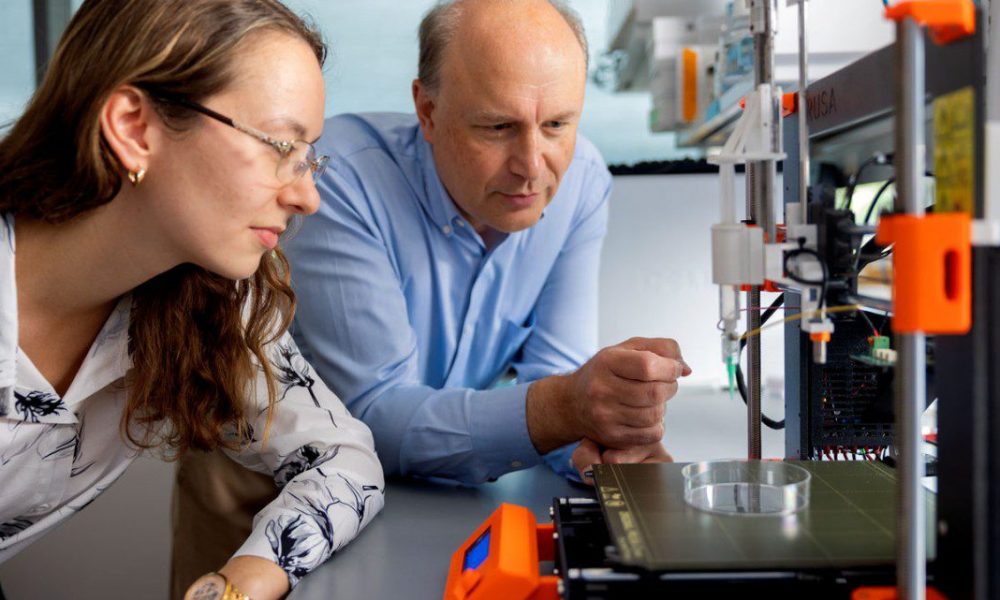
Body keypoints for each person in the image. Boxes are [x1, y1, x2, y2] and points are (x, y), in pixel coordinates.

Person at [173, 0, 690, 585]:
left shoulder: (582, 182)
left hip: (425, 490)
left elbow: (555, 372)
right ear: (427, 109)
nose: (531, 167)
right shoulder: (339, 179)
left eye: (557, 125)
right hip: (269, 478)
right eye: (497, 127)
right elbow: (373, 412)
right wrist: (565, 407)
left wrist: (593, 445)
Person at [0, 1, 384, 599]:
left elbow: (343, 460)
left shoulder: (211, 299)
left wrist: (237, 584)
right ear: (134, 128)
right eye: (281, 144)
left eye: (310, 157)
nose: (308, 197)